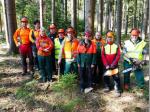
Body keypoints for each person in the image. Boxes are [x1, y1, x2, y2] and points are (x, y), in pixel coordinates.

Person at [101, 31, 121, 97]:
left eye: (111, 37)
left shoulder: (116, 45)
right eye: (108, 38)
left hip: (114, 65)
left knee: (116, 77)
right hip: (106, 65)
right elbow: (103, 55)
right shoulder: (104, 46)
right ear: (106, 38)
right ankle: (107, 87)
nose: (109, 39)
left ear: (113, 38)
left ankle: (117, 89)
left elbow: (118, 55)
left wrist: (113, 64)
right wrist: (106, 64)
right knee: (106, 76)